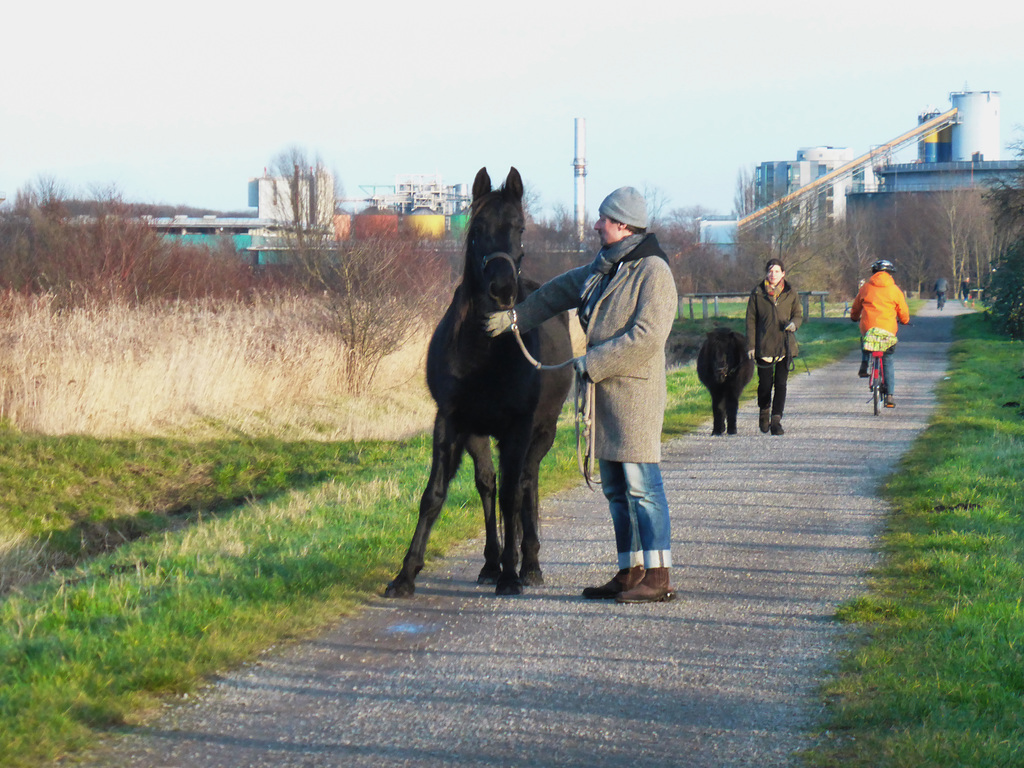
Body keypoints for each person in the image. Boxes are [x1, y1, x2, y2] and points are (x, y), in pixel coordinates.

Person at [483, 187, 678, 603]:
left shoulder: (653, 272)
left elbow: (647, 338)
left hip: (636, 399)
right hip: (605, 397)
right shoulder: (606, 266)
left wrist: (593, 362)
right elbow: (557, 293)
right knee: (616, 491)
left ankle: (658, 577)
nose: (595, 225)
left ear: (623, 224)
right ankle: (630, 571)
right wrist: (516, 317)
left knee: (643, 487)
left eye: (603, 219)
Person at [745, 258, 802, 436]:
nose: (773, 274)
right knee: (765, 384)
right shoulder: (757, 293)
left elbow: (798, 314)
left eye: (777, 271)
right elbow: (750, 320)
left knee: (781, 384)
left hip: (785, 346)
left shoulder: (791, 292)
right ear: (766, 273)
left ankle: (776, 420)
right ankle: (764, 412)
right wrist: (751, 345)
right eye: (770, 271)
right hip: (764, 345)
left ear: (783, 273)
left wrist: (794, 324)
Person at [850, 259, 910, 408]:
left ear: (873, 273)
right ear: (890, 274)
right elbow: (903, 312)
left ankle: (864, 364)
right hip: (888, 331)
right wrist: (904, 320)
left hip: (869, 329)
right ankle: (889, 396)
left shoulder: (865, 288)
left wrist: (854, 317)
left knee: (865, 338)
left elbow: (856, 308)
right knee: (888, 359)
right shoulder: (895, 290)